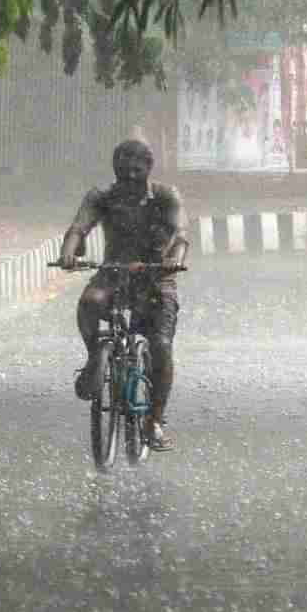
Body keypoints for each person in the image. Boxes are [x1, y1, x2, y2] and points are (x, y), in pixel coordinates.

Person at [56, 140, 190, 452]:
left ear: (148, 170)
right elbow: (79, 227)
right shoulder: (101, 197)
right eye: (123, 171)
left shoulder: (167, 197)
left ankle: (154, 421)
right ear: (114, 171)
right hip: (113, 273)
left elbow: (181, 234)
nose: (130, 177)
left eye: (136, 171)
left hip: (157, 277)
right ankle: (94, 360)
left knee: (161, 345)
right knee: (90, 303)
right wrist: (69, 251)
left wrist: (175, 257)